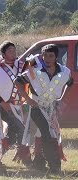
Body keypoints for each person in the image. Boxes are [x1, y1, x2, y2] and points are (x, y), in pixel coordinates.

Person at [15, 44, 72, 175]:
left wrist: (62, 98)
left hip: (51, 108)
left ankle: (40, 163)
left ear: (56, 57)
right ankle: (54, 166)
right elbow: (17, 81)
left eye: (51, 55)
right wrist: (28, 100)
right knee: (47, 134)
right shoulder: (34, 70)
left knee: (47, 135)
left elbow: (70, 83)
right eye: (45, 55)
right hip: (37, 107)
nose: (47, 58)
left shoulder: (64, 72)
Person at [0, 41, 32, 171]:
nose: (13, 52)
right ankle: (25, 158)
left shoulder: (22, 66)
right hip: (4, 107)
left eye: (14, 50)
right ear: (4, 54)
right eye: (10, 50)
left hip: (19, 106)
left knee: (15, 132)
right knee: (20, 130)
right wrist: (1, 102)